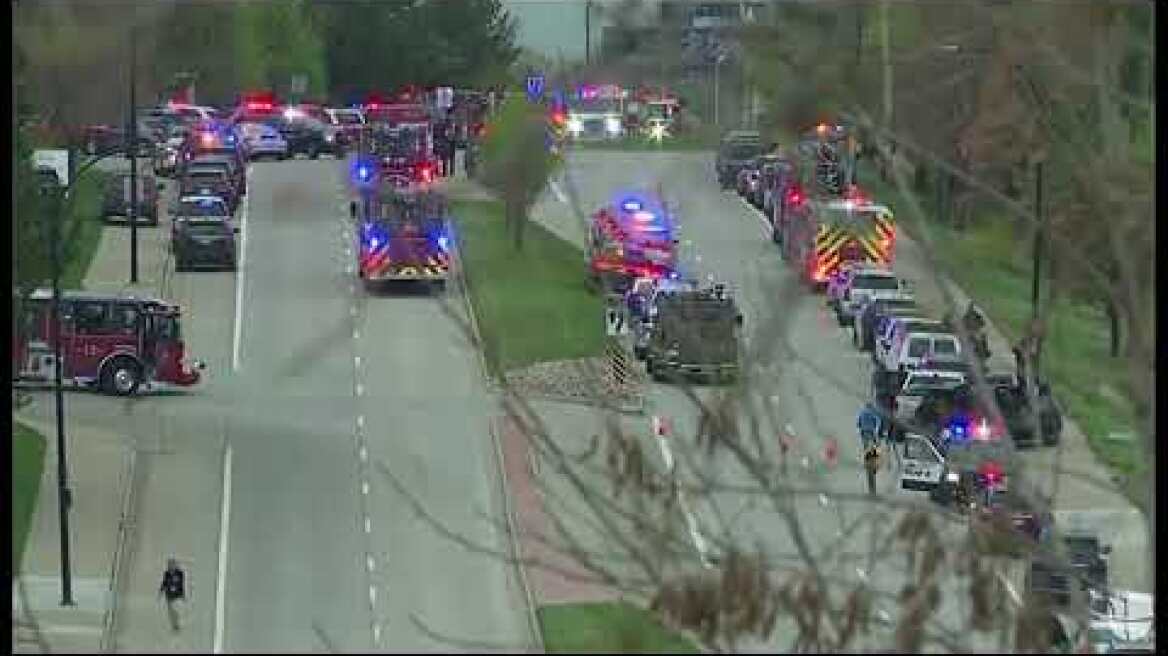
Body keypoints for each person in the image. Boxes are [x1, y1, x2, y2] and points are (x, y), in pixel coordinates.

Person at [159, 558, 186, 632]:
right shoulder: (166, 573)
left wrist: (182, 594)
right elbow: (164, 583)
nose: (171, 567)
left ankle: (177, 624)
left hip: (177, 595)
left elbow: (181, 584)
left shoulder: (180, 573)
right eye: (169, 565)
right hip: (169, 595)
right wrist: (161, 591)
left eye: (172, 565)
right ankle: (174, 625)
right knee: (171, 612)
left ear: (175, 565)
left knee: (176, 610)